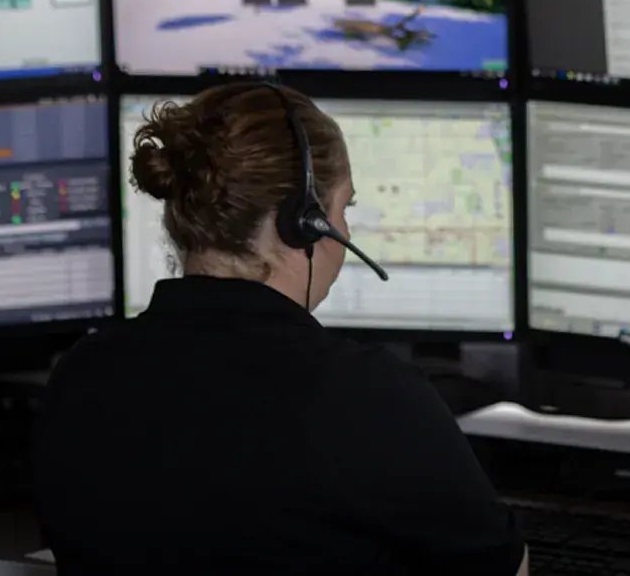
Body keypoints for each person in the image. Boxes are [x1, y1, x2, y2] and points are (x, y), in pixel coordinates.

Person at [33, 83, 528, 576]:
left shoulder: (83, 376)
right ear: (303, 223)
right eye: (343, 210)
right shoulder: (365, 397)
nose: (347, 234)